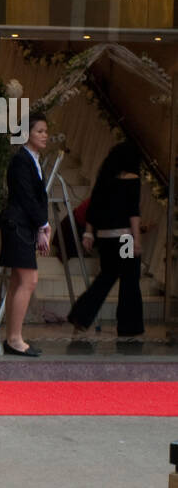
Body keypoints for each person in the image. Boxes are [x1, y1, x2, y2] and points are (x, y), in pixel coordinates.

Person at [68, 142, 144, 341]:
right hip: (125, 237)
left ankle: (81, 314)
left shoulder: (105, 179)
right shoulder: (133, 179)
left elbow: (93, 209)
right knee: (130, 280)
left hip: (105, 238)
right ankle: (129, 326)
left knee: (106, 277)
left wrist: (89, 233)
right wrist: (137, 239)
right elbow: (133, 212)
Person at [0, 115, 52, 356]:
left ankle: (13, 338)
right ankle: (15, 339)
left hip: (22, 226)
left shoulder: (33, 160)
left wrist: (42, 226)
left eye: (45, 131)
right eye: (39, 131)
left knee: (18, 281)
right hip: (18, 226)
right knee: (28, 281)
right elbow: (27, 198)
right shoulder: (21, 161)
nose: (44, 135)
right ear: (27, 134)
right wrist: (42, 225)